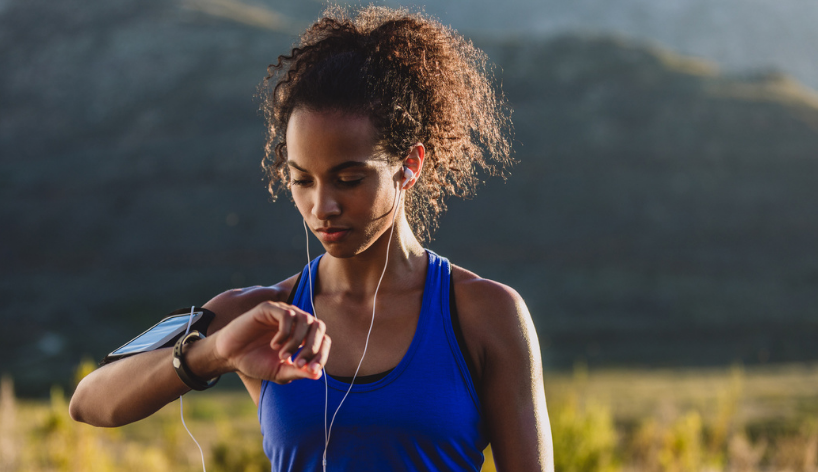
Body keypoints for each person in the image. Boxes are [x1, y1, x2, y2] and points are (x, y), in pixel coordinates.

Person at [70, 5, 553, 471]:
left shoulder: (484, 315)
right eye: (303, 180)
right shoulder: (256, 315)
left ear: (410, 164)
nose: (322, 207)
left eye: (348, 179)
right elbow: (90, 401)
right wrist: (216, 353)